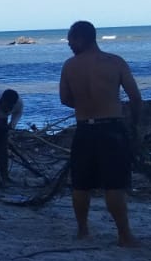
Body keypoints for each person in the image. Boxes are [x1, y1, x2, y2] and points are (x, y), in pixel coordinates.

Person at [58, 22, 141, 246]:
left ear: (82, 38)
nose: (69, 44)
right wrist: (134, 124)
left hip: (84, 128)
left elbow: (65, 99)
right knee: (114, 185)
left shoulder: (69, 66)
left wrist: (85, 104)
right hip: (111, 127)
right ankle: (124, 235)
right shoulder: (115, 62)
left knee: (81, 184)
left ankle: (82, 231)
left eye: (71, 40)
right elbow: (135, 97)